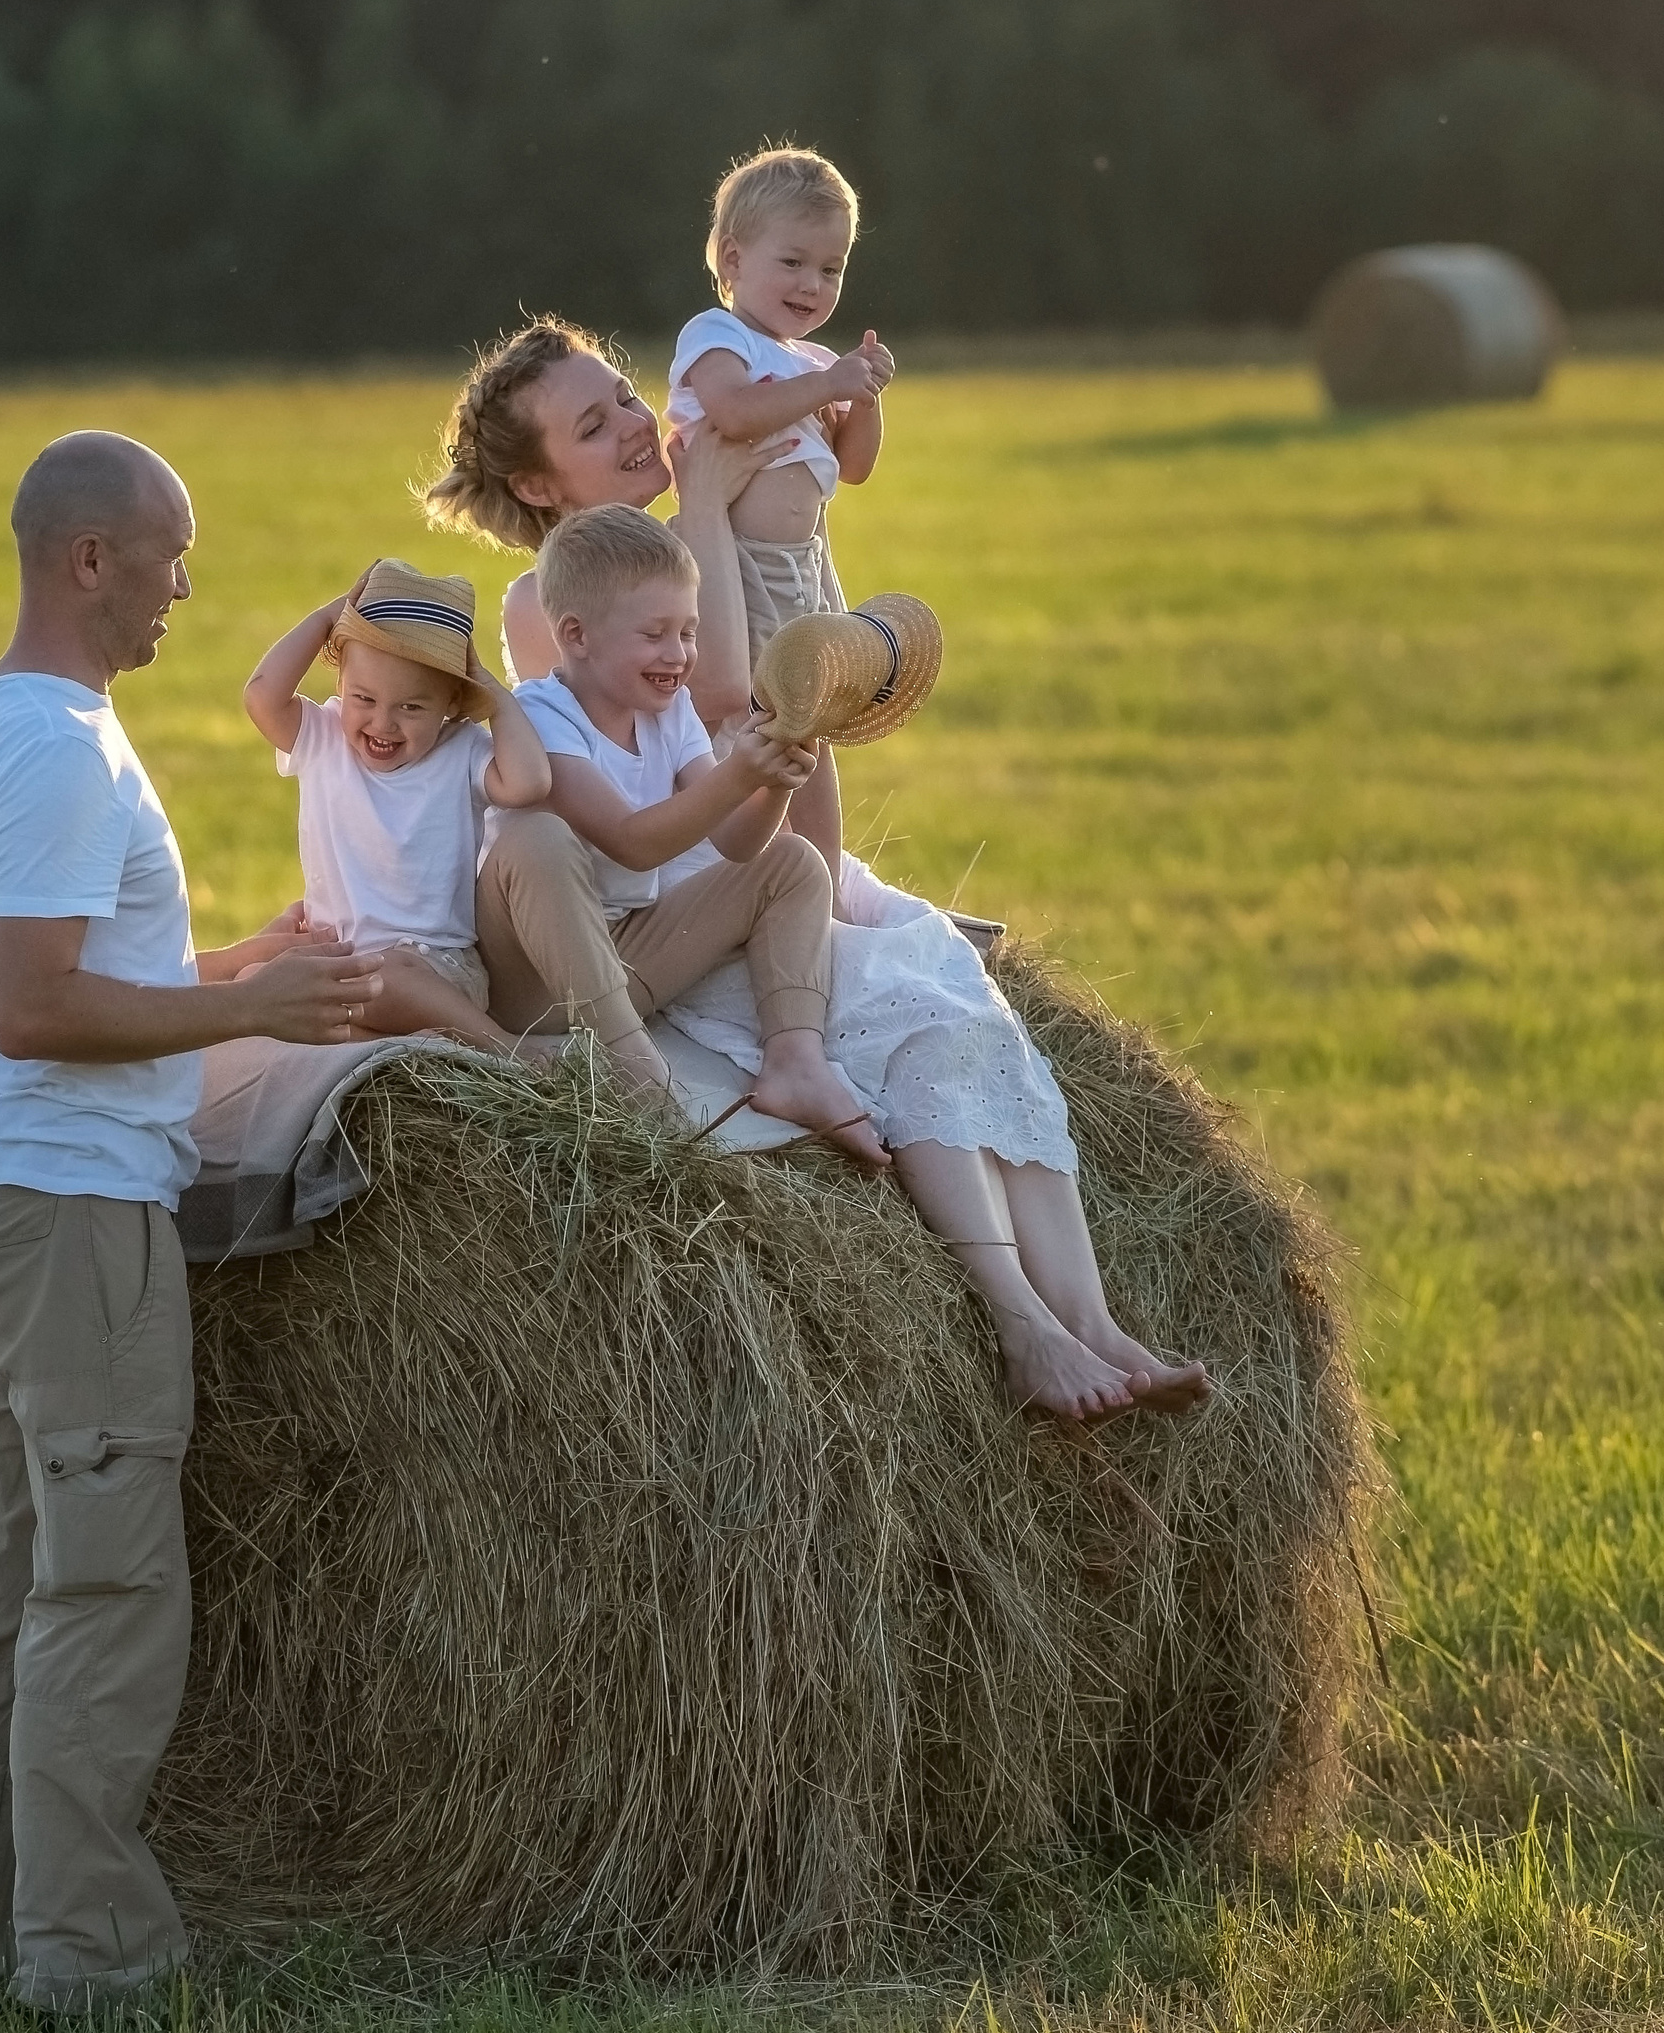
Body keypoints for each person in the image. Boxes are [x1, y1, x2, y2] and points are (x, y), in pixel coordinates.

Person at [426, 327, 1208, 1423]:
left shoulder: (679, 571)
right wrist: (704, 491)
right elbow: (722, 694)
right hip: (656, 904)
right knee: (898, 1014)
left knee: (951, 1011)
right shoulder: (547, 607)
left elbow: (765, 770)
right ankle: (1021, 1326)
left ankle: (1093, 1320)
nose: (633, 425)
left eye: (625, 397)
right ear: (535, 482)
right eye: (592, 425)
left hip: (731, 864)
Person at [0, 430, 384, 2013]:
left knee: (6, 1571)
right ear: (87, 558)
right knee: (104, 1588)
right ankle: (90, 1971)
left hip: (21, 1202)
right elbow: (34, 1010)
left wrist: (235, 970)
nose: (189, 583)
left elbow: (58, 965)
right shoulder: (55, 752)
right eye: (170, 554)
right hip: (76, 1217)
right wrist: (259, 1022)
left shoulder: (0, 723)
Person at [477, 503, 888, 1169]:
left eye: (689, 631)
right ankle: (632, 1065)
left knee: (794, 861)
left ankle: (794, 1058)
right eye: (656, 634)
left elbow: (739, 843)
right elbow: (630, 841)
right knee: (536, 838)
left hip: (627, 958)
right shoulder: (539, 716)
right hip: (532, 983)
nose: (680, 654)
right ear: (578, 635)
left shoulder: (667, 716)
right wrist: (735, 777)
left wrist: (774, 775)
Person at [242, 557, 552, 1052]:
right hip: (339, 966)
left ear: (451, 704)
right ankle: (408, 1044)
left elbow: (530, 783)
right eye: (364, 698)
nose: (383, 724)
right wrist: (330, 618)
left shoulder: (461, 749)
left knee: (390, 976)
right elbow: (261, 695)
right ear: (340, 683)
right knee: (255, 978)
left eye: (411, 707)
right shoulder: (322, 736)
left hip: (434, 968)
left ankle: (505, 1048)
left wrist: (489, 687)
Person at [666, 146, 892, 663]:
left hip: (805, 564)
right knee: (760, 703)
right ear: (733, 259)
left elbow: (853, 468)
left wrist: (863, 396)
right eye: (792, 262)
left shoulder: (814, 362)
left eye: (832, 269)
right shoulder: (719, 334)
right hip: (735, 563)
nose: (812, 284)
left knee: (818, 699)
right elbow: (734, 413)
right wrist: (830, 386)